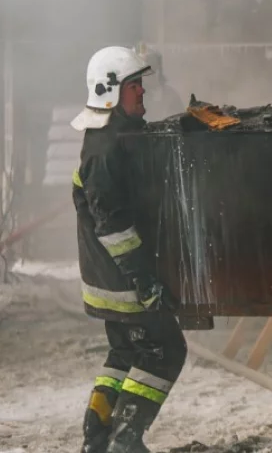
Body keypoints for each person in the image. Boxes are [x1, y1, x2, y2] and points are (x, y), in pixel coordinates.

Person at [70, 46, 185, 453]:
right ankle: (126, 439)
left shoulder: (113, 136)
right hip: (121, 280)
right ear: (110, 92)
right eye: (134, 86)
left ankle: (97, 434)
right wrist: (144, 280)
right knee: (165, 350)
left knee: (124, 352)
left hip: (106, 279)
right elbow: (113, 226)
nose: (142, 94)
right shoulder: (103, 151)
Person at [134, 43, 184, 121]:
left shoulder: (171, 96)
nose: (147, 74)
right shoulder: (131, 97)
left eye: (151, 65)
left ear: (158, 68)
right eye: (141, 69)